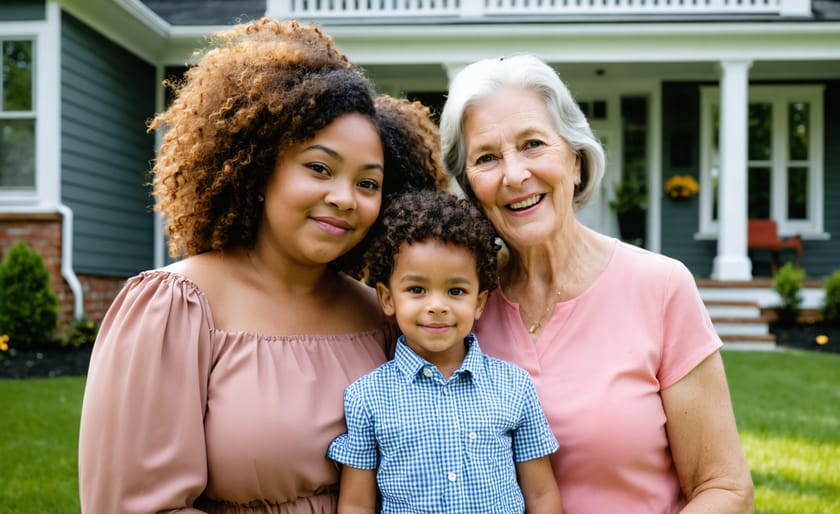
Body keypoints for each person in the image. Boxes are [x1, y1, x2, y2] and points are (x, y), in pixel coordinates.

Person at [78, 18, 444, 514]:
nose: (343, 199)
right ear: (259, 165)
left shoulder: (379, 315)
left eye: (368, 183)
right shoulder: (176, 305)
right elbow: (138, 505)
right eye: (319, 168)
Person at [439, 54, 755, 513]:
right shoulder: (456, 308)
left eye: (532, 144)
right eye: (487, 158)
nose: (514, 175)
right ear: (471, 188)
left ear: (576, 162)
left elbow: (726, 489)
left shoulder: (661, 288)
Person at [326, 189, 563, 514]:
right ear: (387, 298)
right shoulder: (367, 398)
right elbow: (356, 505)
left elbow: (541, 495)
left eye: (455, 291)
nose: (437, 306)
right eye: (417, 290)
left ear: (479, 302)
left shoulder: (514, 387)